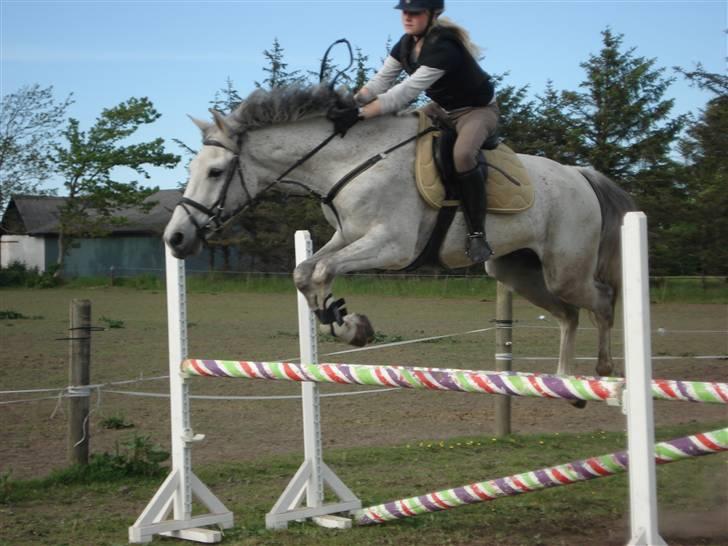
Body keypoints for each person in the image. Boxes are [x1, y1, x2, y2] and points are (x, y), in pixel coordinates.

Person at [333, 0, 498, 262]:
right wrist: (351, 104)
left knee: (463, 155)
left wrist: (360, 114)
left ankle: (477, 233)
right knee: (396, 135)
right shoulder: (406, 43)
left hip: (475, 112)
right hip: (440, 109)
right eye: (404, 12)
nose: (407, 18)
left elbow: (405, 93)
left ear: (433, 14)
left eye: (415, 13)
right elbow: (381, 81)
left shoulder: (444, 46)